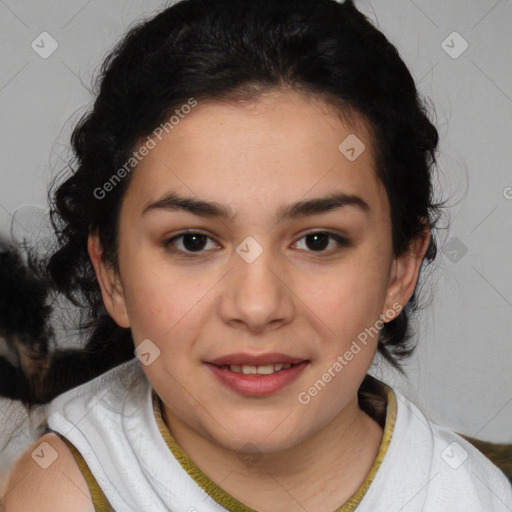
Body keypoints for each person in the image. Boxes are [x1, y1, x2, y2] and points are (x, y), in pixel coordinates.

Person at [1, 0, 511, 510]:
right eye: (193, 241)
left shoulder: (474, 496)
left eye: (318, 241)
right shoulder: (54, 491)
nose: (257, 305)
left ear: (400, 270)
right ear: (112, 274)